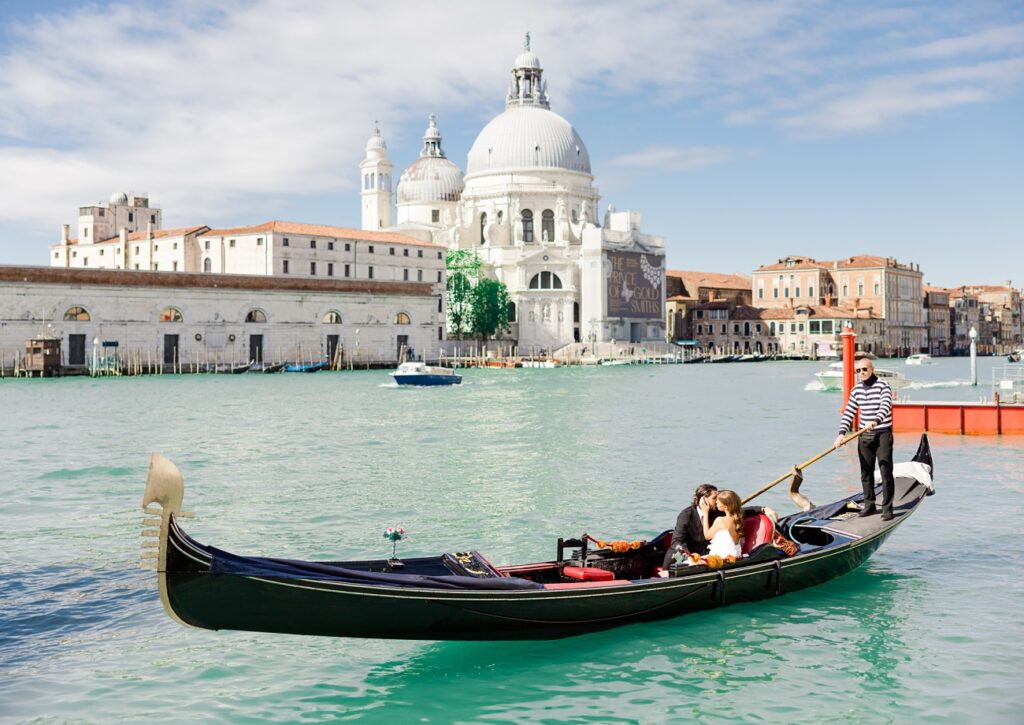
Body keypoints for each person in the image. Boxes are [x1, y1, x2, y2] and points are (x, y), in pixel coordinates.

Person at [834, 357, 895, 521]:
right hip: (864, 435)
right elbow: (849, 412)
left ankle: (887, 508)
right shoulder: (856, 390)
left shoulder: (883, 386)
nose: (861, 373)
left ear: (872, 369)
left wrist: (875, 421)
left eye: (864, 369)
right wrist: (841, 434)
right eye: (858, 370)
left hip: (882, 433)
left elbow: (885, 405)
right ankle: (870, 505)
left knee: (885, 471)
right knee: (865, 473)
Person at [661, 484, 778, 570]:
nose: (717, 501)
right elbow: (677, 541)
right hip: (687, 553)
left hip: (709, 554)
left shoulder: (717, 512)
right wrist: (690, 557)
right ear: (703, 499)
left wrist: (762, 509)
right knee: (676, 550)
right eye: (714, 498)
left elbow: (738, 511)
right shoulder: (686, 515)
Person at [702, 489, 744, 559]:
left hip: (722, 557)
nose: (716, 503)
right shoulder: (738, 520)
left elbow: (707, 536)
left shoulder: (720, 520)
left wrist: (705, 513)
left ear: (726, 507)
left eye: (718, 502)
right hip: (736, 555)